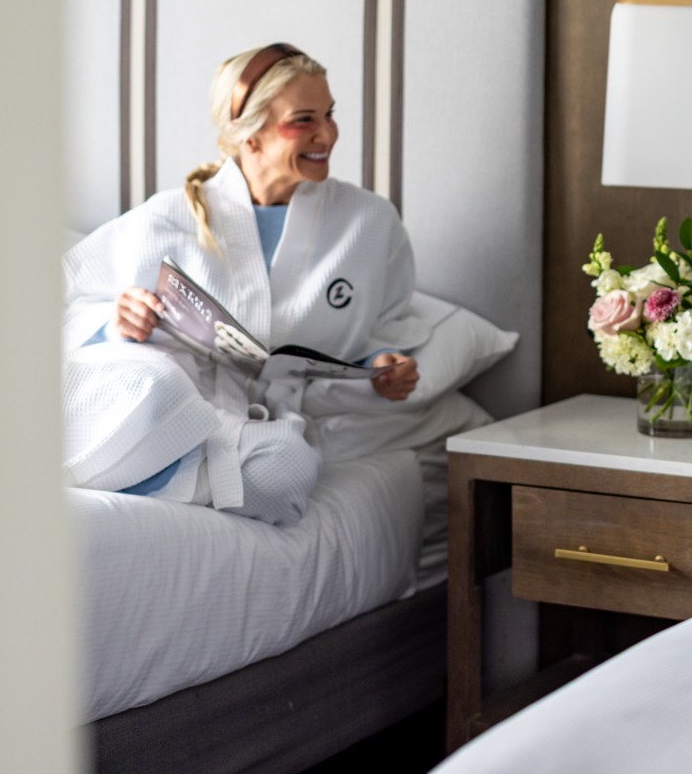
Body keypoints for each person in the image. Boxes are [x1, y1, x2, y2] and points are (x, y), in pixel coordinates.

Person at [61, 43, 423, 525]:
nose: (328, 134)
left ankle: (146, 475)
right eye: (304, 120)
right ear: (250, 136)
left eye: (330, 114)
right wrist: (115, 321)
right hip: (161, 396)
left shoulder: (368, 224)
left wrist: (382, 367)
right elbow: (65, 300)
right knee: (156, 385)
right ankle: (183, 472)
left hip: (241, 427)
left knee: (288, 468)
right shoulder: (165, 217)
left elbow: (384, 327)